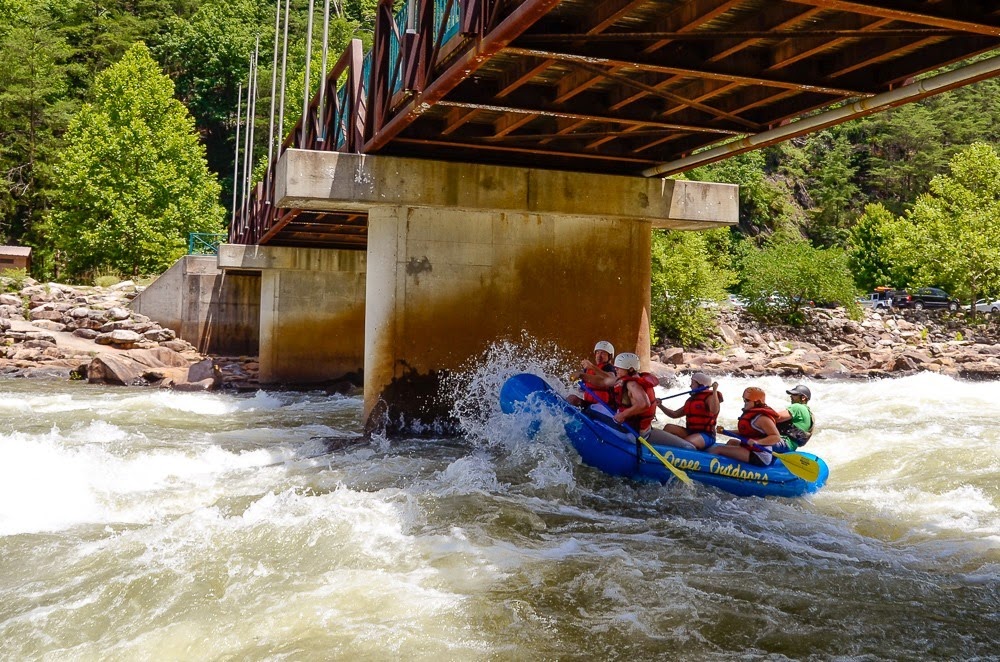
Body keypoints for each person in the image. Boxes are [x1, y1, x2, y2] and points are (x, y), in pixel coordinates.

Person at [583, 352, 696, 449]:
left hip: (630, 432)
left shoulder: (632, 384)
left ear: (630, 369)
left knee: (591, 409)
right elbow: (604, 382)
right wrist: (583, 376)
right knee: (687, 447)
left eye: (619, 367)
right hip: (644, 430)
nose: (615, 368)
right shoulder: (632, 379)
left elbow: (644, 404)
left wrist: (623, 414)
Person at [710, 386, 781, 466]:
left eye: (747, 400)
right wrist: (725, 432)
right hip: (751, 449)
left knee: (718, 449)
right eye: (744, 400)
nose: (744, 403)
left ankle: (705, 466)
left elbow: (776, 437)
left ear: (757, 402)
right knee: (731, 442)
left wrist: (758, 442)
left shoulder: (762, 419)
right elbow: (746, 433)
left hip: (760, 455)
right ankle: (726, 467)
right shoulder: (752, 415)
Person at [656, 372, 722, 450]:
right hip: (690, 431)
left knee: (687, 443)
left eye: (692, 383)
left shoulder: (710, 397)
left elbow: (714, 410)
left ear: (701, 385)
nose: (690, 385)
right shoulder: (692, 400)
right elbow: (674, 414)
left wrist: (714, 391)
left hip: (706, 435)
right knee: (668, 428)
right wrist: (660, 405)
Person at [567, 340, 616, 407]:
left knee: (572, 399)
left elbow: (609, 378)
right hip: (590, 404)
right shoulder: (588, 369)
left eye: (603, 353)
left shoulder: (609, 368)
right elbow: (582, 387)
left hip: (604, 407)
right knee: (571, 398)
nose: (599, 356)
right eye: (598, 352)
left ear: (609, 357)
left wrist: (583, 374)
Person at [773, 384, 814, 453]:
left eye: (794, 395)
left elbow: (775, 418)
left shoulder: (797, 407)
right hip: (791, 447)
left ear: (803, 398)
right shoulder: (808, 412)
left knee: (753, 440)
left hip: (783, 443)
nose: (791, 396)